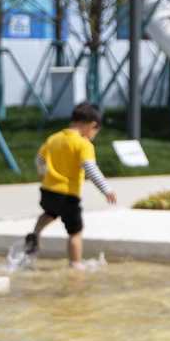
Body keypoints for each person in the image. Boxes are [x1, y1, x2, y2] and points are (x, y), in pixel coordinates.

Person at [23, 102, 117, 268]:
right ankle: (76, 265)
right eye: (96, 132)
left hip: (48, 190)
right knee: (75, 232)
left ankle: (36, 233)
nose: (94, 136)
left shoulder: (53, 138)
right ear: (92, 125)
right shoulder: (83, 144)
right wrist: (106, 189)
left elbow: (39, 159)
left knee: (49, 213)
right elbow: (90, 169)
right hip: (68, 195)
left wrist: (43, 174)